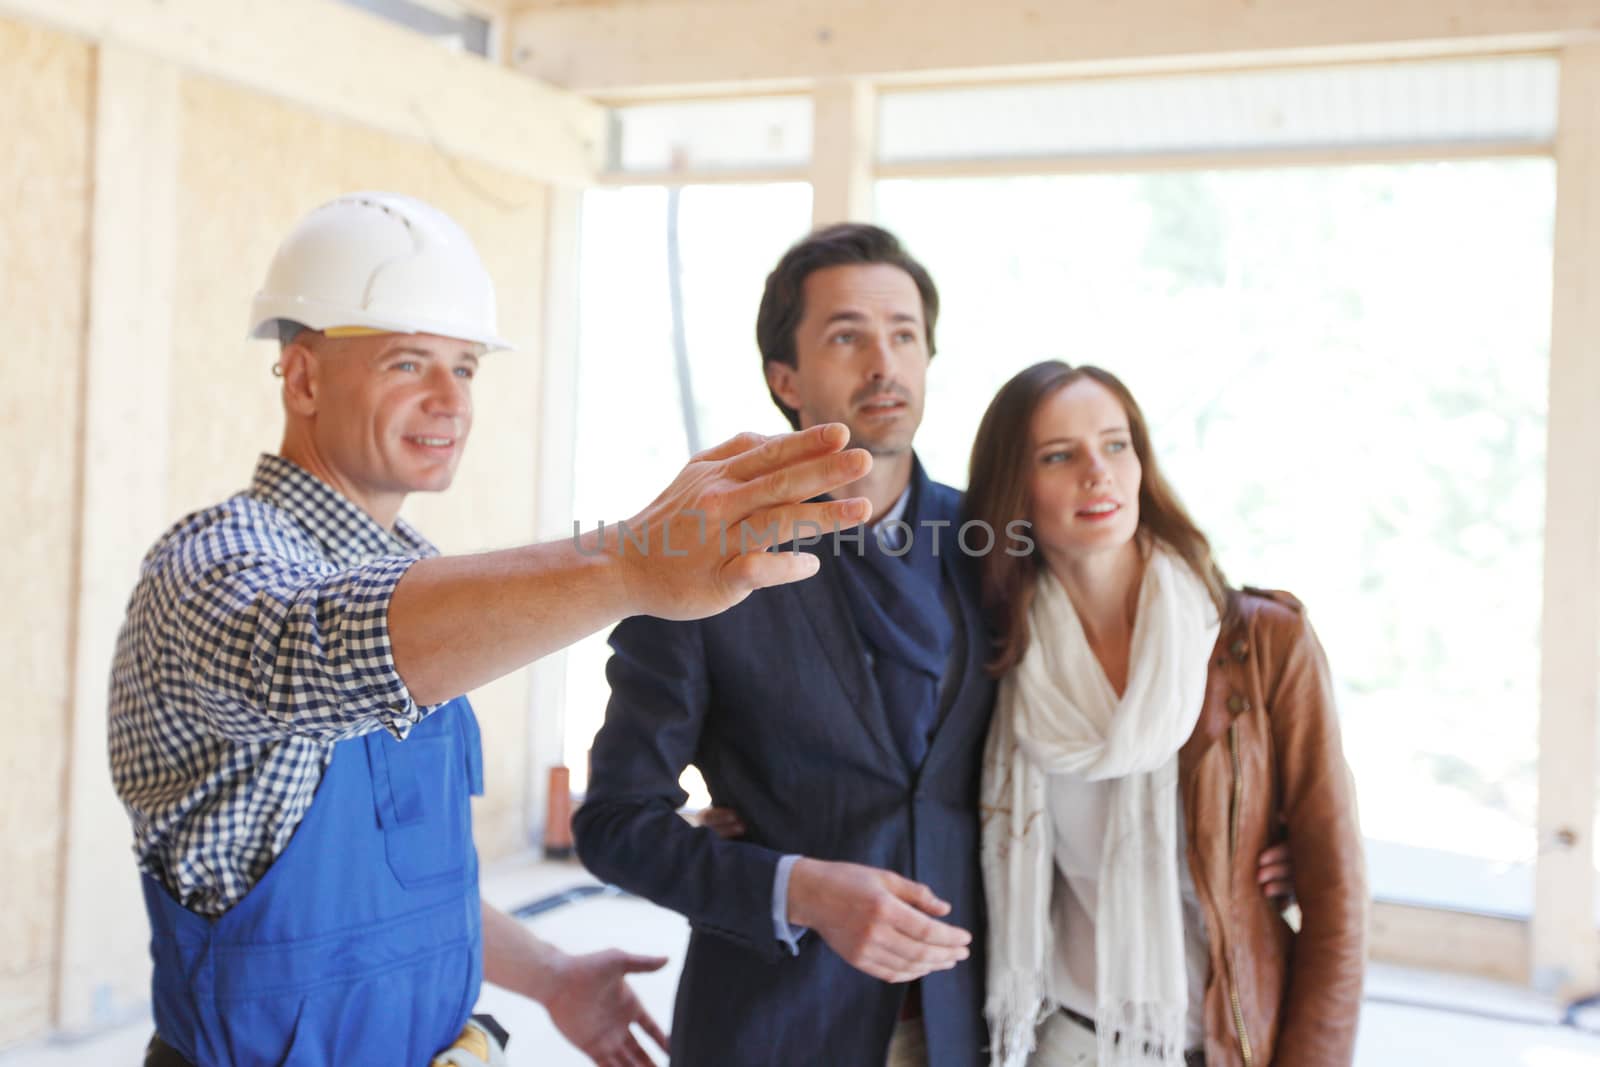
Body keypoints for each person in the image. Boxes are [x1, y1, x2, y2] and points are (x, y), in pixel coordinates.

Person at [109, 191, 874, 1067]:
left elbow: (380, 891)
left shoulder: (421, 575)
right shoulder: (209, 566)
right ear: (306, 377)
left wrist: (550, 973)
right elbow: (310, 646)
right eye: (408, 363)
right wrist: (627, 562)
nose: (450, 400)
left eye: (466, 367)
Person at [572, 224, 996, 1066]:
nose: (885, 361)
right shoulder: (703, 552)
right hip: (775, 1023)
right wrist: (794, 886)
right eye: (848, 335)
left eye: (904, 335)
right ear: (785, 378)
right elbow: (614, 821)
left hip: (971, 1018)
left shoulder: (992, 540)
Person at [965, 361, 1367, 1067]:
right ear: (1015, 491)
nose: (1099, 472)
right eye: (1059, 455)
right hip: (1061, 1043)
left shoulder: (1260, 642)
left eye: (1116, 444)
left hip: (1218, 1045)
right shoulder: (996, 653)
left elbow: (1338, 901)